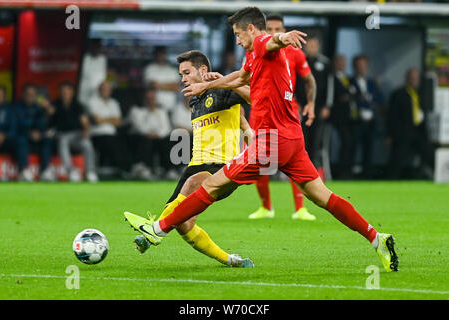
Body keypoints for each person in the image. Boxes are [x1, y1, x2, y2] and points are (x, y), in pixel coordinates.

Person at [125, 7, 398, 273]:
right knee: (323, 196)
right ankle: (377, 238)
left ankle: (157, 229)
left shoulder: (261, 43)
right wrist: (207, 85)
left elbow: (272, 41)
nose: (237, 39)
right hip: (293, 139)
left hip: (271, 141)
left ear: (251, 29)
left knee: (212, 184)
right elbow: (241, 77)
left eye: (237, 33)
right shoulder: (253, 58)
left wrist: (283, 36)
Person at [129, 50, 254, 268]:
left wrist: (226, 84)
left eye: (186, 73)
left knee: (193, 183)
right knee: (183, 224)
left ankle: (154, 229)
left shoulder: (222, 90)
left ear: (203, 70)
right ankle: (230, 260)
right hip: (195, 165)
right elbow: (240, 119)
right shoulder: (195, 101)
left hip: (222, 167)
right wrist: (246, 128)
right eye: (181, 75)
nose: (183, 79)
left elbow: (255, 97)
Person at [247, 13, 317, 221]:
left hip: (288, 113)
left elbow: (309, 80)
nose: (275, 33)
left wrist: (311, 103)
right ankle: (266, 207)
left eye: (279, 29)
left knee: (296, 161)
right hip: (262, 112)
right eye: (271, 29)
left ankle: (300, 208)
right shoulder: (256, 50)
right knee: (261, 162)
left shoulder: (294, 52)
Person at [386, 68, 434, 179]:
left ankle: (431, 177)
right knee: (396, 160)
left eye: (416, 78)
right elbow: (392, 116)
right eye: (411, 78)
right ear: (406, 79)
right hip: (402, 133)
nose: (414, 80)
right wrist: (390, 135)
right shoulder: (398, 94)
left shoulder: (421, 95)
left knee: (429, 153)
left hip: (419, 132)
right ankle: (390, 181)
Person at [296, 34, 333, 178]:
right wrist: (295, 103)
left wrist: (327, 106)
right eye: (309, 45)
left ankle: (316, 171)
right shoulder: (300, 61)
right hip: (302, 107)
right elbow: (295, 84)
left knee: (317, 140)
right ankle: (302, 171)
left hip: (318, 108)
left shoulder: (325, 63)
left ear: (318, 46)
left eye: (314, 45)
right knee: (301, 140)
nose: (311, 48)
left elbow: (330, 86)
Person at [50, 82, 98, 183]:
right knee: (63, 140)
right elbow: (50, 118)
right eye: (63, 92)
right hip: (61, 134)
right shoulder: (55, 104)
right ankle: (70, 171)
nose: (65, 94)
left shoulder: (77, 105)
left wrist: (86, 131)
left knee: (87, 143)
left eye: (67, 92)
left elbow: (84, 121)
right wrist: (48, 111)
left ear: (72, 93)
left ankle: (90, 172)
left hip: (76, 135)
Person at [127, 86, 176, 180]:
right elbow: (140, 127)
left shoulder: (162, 111)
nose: (150, 101)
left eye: (152, 98)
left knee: (167, 141)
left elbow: (166, 128)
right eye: (148, 99)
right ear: (144, 99)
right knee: (145, 141)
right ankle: (145, 169)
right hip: (142, 137)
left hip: (159, 137)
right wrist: (151, 133)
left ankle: (169, 170)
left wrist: (157, 135)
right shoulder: (136, 111)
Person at [87, 80, 131, 177]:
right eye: (103, 89)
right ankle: (123, 170)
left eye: (107, 89)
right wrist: (112, 119)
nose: (105, 91)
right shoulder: (92, 102)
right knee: (112, 144)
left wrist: (104, 119)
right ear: (99, 90)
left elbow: (119, 122)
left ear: (110, 91)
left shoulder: (114, 103)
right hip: (97, 135)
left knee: (126, 142)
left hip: (112, 134)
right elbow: (97, 120)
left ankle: (127, 169)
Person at [350, 54, 384, 178]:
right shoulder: (350, 81)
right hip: (356, 121)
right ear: (354, 67)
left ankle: (367, 174)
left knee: (369, 147)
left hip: (371, 121)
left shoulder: (372, 82)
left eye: (364, 66)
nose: (362, 68)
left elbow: (380, 99)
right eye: (359, 66)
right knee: (352, 147)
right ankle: (350, 172)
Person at [14, 84, 54, 182]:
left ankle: (45, 170)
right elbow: (16, 126)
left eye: (33, 95)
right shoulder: (16, 107)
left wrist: (39, 132)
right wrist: (29, 132)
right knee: (21, 140)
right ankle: (24, 170)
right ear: (23, 95)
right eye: (28, 94)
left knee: (48, 139)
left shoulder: (38, 108)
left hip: (36, 137)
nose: (30, 97)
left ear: (36, 96)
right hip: (22, 136)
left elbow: (42, 125)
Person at [329, 54, 358, 179]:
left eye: (344, 62)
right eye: (340, 62)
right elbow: (340, 95)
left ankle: (348, 170)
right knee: (346, 142)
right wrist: (347, 95)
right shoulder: (332, 78)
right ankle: (342, 172)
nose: (342, 65)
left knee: (351, 143)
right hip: (339, 117)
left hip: (350, 117)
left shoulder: (347, 78)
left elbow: (352, 93)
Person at [143, 46, 180, 113]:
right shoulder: (149, 68)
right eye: (159, 54)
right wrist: (170, 86)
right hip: (154, 107)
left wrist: (158, 84)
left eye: (163, 53)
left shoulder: (172, 70)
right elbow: (152, 85)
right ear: (155, 55)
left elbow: (176, 87)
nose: (161, 56)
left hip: (170, 106)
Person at [0, 86, 23, 181]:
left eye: (0, 95)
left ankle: (22, 171)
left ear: (4, 96)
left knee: (20, 141)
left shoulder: (10, 109)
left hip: (7, 139)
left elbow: (14, 128)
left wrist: (3, 135)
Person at [78, 39, 108, 108]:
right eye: (95, 46)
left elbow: (103, 76)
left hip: (98, 94)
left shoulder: (103, 59)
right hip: (83, 93)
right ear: (91, 47)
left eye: (98, 47)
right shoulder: (85, 58)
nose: (96, 49)